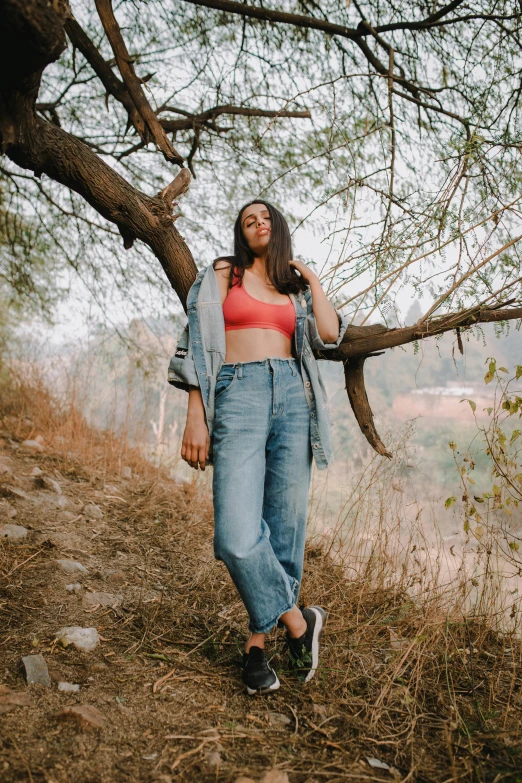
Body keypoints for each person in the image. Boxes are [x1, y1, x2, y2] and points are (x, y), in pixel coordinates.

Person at [168, 200, 347, 694]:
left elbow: (329, 334)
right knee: (234, 533)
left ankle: (256, 647)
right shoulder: (223, 275)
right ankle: (298, 622)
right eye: (249, 220)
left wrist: (309, 274)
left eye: (266, 217)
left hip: (293, 397)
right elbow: (196, 343)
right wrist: (195, 416)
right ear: (240, 234)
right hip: (238, 394)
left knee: (284, 526)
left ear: (279, 227)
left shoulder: (295, 289)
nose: (258, 223)